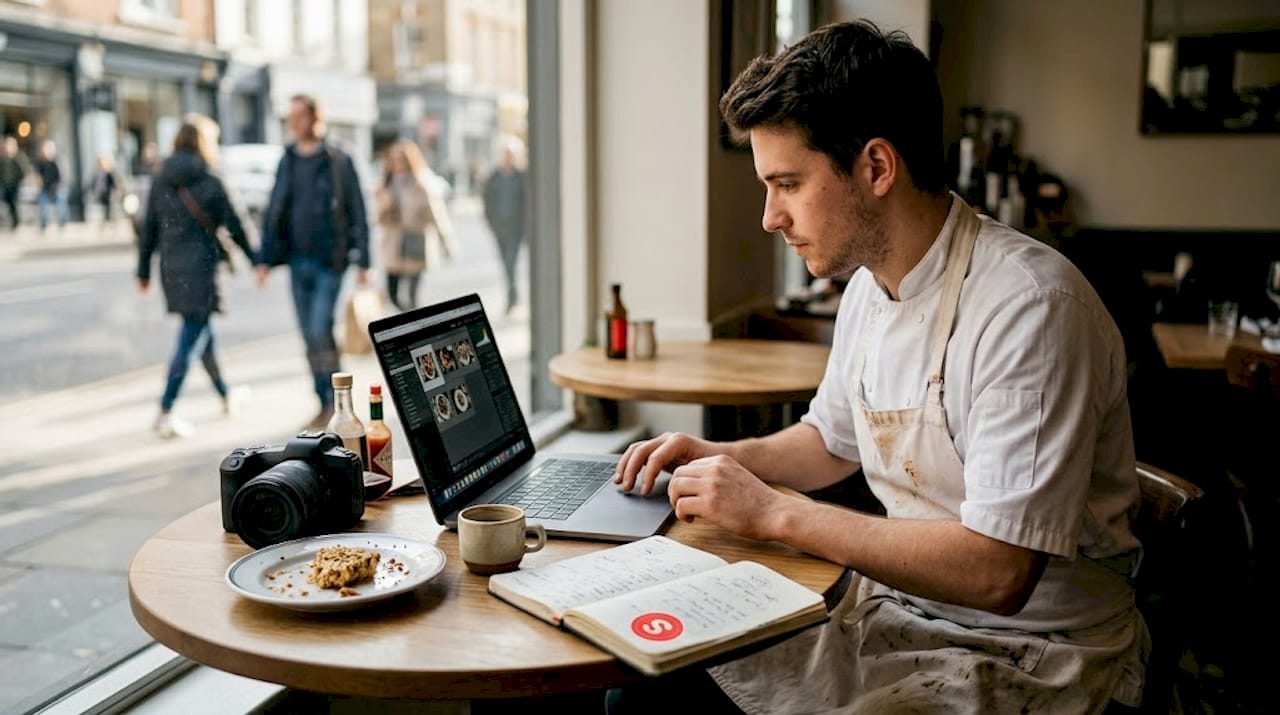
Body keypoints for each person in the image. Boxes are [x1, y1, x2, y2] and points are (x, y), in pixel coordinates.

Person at [610, 20, 1147, 714]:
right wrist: (720, 455)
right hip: (901, 612)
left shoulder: (1031, 308)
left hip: (1041, 652)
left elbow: (999, 570)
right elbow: (829, 440)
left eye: (788, 183)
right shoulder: (869, 284)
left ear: (876, 168)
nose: (771, 216)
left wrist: (775, 512)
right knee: (652, 682)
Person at [137, 115, 256, 438]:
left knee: (203, 336)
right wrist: (258, 259)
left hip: (173, 270)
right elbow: (237, 224)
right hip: (203, 270)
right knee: (191, 338)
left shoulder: (161, 179)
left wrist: (143, 271)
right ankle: (165, 410)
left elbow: (148, 228)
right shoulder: (211, 178)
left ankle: (226, 394)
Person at [255, 94, 370, 429]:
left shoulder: (339, 157)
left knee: (321, 328)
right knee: (309, 334)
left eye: (298, 116)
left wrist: (364, 258)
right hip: (297, 260)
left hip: (330, 261)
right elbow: (275, 208)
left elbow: (359, 209)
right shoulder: (288, 159)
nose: (292, 123)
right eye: (289, 117)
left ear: (314, 118)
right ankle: (323, 399)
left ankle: (338, 402)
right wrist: (264, 259)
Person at [375, 139, 456, 311]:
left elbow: (437, 215)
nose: (397, 163)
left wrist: (446, 242)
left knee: (412, 296)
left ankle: (416, 327)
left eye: (401, 159)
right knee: (393, 294)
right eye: (393, 159)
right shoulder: (385, 184)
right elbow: (379, 219)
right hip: (394, 244)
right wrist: (384, 209)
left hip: (416, 242)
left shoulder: (422, 183)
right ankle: (410, 321)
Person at [481, 137, 527, 314]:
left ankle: (511, 295)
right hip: (500, 228)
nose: (508, 157)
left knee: (511, 261)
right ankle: (513, 293)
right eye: (505, 154)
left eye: (511, 154)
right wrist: (491, 223)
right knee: (505, 262)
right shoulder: (494, 177)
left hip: (516, 228)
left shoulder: (521, 177)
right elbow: (486, 201)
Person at [35, 139, 67, 232]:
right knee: (42, 204)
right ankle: (43, 225)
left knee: (60, 203)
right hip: (45, 187)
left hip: (57, 187)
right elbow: (38, 176)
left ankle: (62, 223)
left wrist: (58, 185)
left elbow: (63, 175)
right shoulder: (41, 163)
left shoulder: (58, 161)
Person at [0, 137, 26, 229]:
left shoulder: (18, 158)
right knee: (6, 203)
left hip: (14, 185)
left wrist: (18, 181)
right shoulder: (2, 159)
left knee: (13, 204)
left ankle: (16, 222)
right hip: (4, 185)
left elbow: (22, 171)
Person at [88, 154, 119, 224]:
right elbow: (93, 183)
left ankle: (107, 219)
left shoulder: (108, 173)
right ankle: (104, 219)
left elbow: (112, 182)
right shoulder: (97, 173)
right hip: (100, 192)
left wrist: (115, 190)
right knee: (101, 207)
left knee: (107, 207)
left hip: (106, 192)